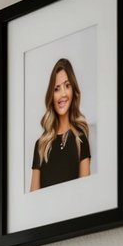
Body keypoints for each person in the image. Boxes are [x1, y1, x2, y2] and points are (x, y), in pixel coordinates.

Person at [30, 59, 91, 191]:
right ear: (51, 96)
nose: (63, 94)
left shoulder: (81, 140)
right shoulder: (41, 146)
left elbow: (85, 195)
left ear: (73, 90)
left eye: (67, 86)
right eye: (57, 88)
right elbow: (32, 202)